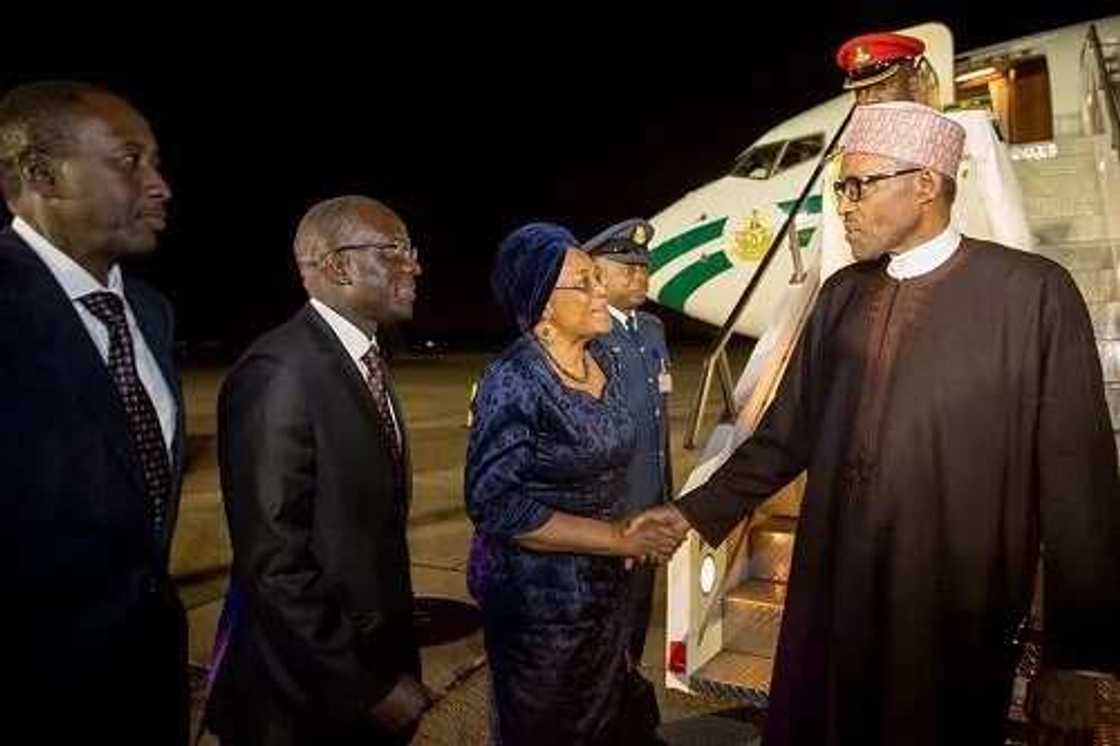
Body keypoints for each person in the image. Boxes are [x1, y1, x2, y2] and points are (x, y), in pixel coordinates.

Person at [634, 102, 1120, 745]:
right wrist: (691, 513)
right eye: (841, 187)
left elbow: (1077, 484)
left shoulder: (1033, 295)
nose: (844, 204)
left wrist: (1079, 657)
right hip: (832, 605)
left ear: (925, 185)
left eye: (859, 185)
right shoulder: (840, 296)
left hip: (949, 619)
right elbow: (786, 436)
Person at [0, 80, 188, 745]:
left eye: (156, 162)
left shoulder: (150, 314)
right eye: (130, 160)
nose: (160, 184)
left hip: (145, 684)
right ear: (41, 175)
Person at [205, 196, 430, 745]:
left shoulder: (364, 358)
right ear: (337, 266)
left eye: (412, 250)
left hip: (363, 668)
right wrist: (367, 686)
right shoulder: (279, 372)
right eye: (395, 251)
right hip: (305, 699)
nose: (414, 265)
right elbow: (275, 565)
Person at [465, 223, 681, 745]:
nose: (601, 289)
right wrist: (614, 537)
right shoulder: (515, 379)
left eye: (596, 279)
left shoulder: (600, 357)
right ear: (542, 304)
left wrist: (634, 525)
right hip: (540, 610)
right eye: (584, 283)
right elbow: (496, 504)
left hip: (606, 597)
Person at [820, 31, 1033, 282]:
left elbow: (1004, 209)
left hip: (976, 277)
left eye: (881, 86)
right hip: (893, 289)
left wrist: (1022, 281)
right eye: (861, 92)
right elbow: (836, 253)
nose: (870, 100)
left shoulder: (967, 130)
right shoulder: (846, 161)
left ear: (913, 83)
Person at [585, 218, 673, 666]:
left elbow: (657, 427)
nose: (640, 276)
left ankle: (628, 712)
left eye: (644, 267)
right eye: (627, 268)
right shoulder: (589, 334)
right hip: (612, 519)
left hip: (651, 509)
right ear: (596, 272)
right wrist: (607, 525)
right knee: (604, 633)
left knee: (635, 622)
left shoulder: (652, 330)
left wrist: (666, 500)